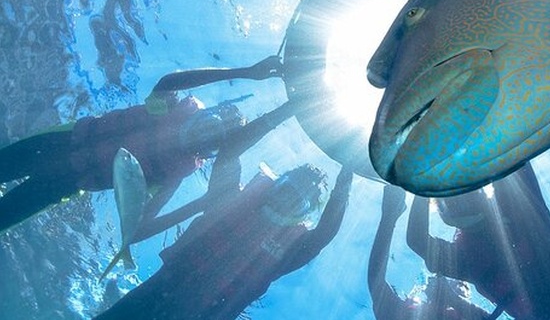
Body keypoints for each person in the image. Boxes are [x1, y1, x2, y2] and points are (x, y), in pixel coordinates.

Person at [0, 56, 289, 233]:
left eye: (212, 140)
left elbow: (140, 229)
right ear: (202, 113)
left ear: (210, 153)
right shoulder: (164, 111)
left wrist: (199, 205)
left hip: (62, 185)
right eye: (207, 124)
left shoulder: (173, 175)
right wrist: (245, 72)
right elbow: (170, 81)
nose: (202, 135)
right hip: (58, 143)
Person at [94, 163, 353, 320]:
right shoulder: (230, 201)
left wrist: (346, 176)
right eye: (286, 190)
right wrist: (277, 114)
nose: (285, 202)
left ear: (303, 214)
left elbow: (325, 233)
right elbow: (230, 152)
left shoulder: (291, 249)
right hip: (156, 292)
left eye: (297, 201)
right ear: (275, 183)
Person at [406, 164, 550, 320]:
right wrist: (421, 182)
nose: (460, 203)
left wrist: (421, 180)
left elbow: (417, 241)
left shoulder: (515, 208)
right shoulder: (467, 258)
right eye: (450, 203)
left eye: (465, 196)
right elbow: (417, 241)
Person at [368, 184, 494, 320]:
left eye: (458, 284)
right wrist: (453, 299)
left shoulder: (410, 314)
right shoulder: (479, 283)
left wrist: (389, 217)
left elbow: (375, 281)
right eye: (460, 284)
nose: (455, 282)